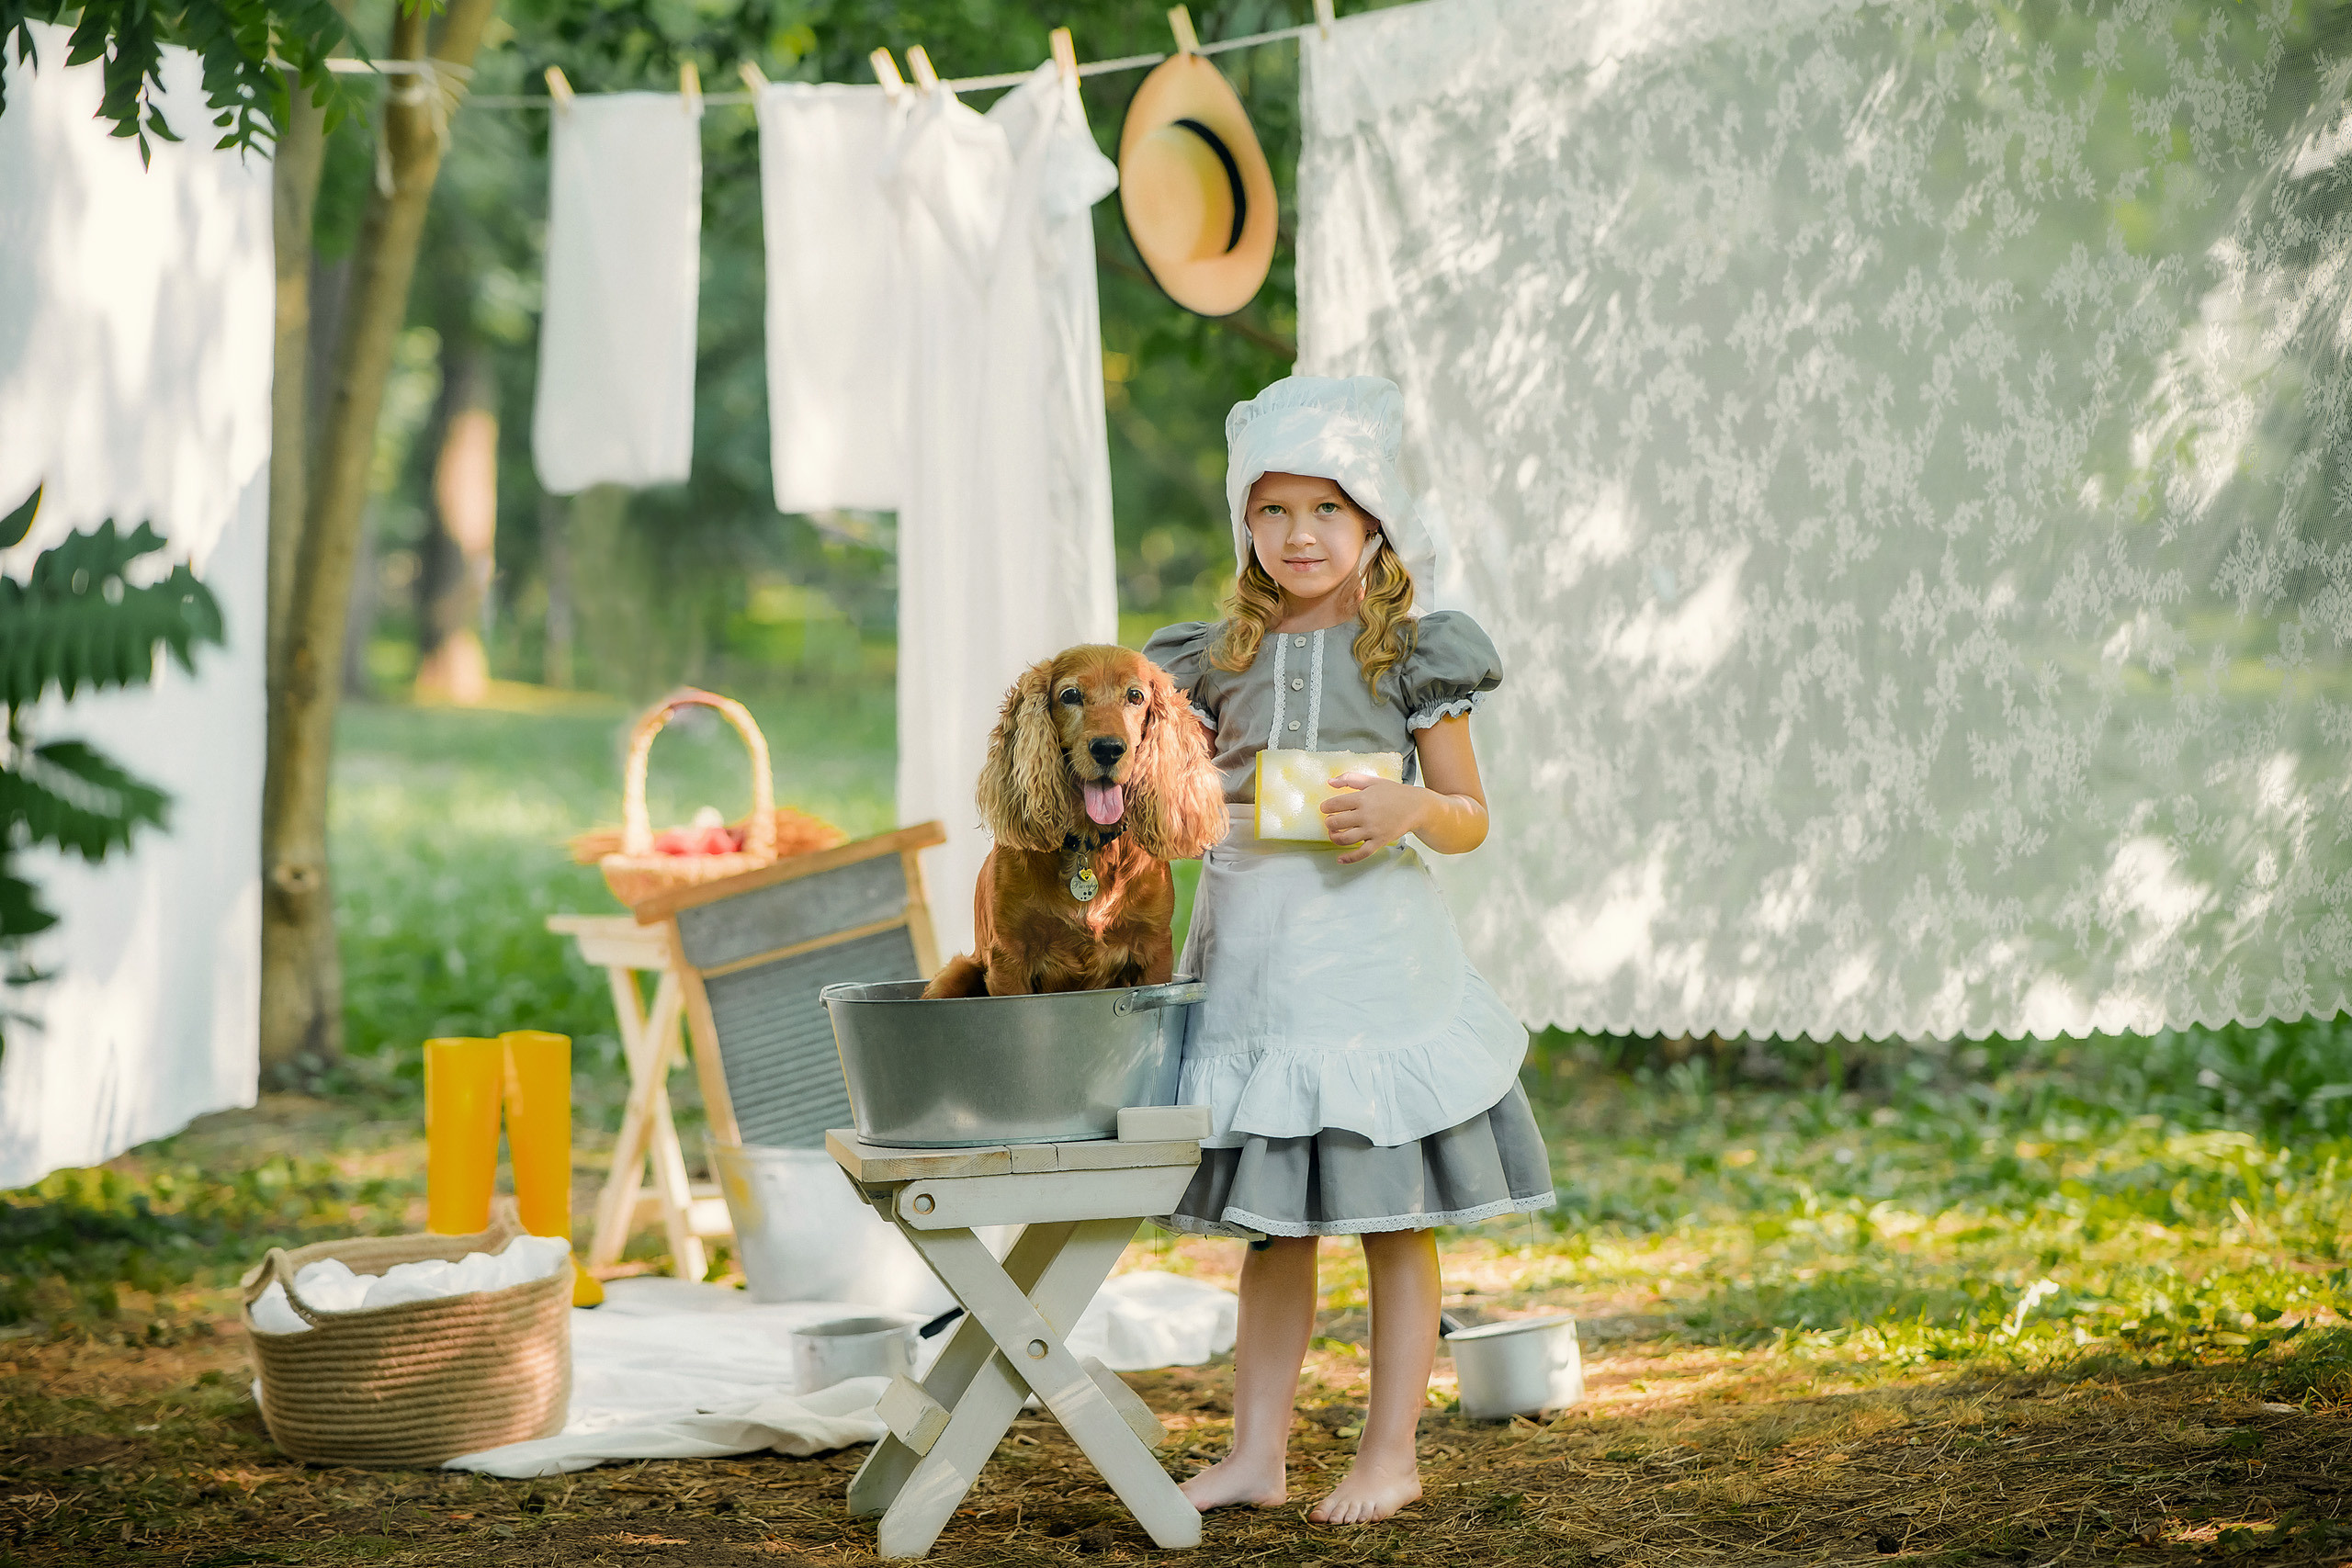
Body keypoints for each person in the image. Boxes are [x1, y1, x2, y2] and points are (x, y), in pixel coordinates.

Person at [1142, 375, 1555, 1525]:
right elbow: (1176, 805)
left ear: (1372, 524)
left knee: (1386, 1215)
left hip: (1374, 976)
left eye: (1325, 510)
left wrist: (1411, 810)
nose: (1298, 535)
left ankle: (1390, 1453)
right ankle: (1255, 1455)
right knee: (1271, 1233)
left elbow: (1469, 817)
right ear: (1245, 531)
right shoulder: (1208, 659)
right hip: (1256, 970)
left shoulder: (1415, 656)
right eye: (1271, 512)